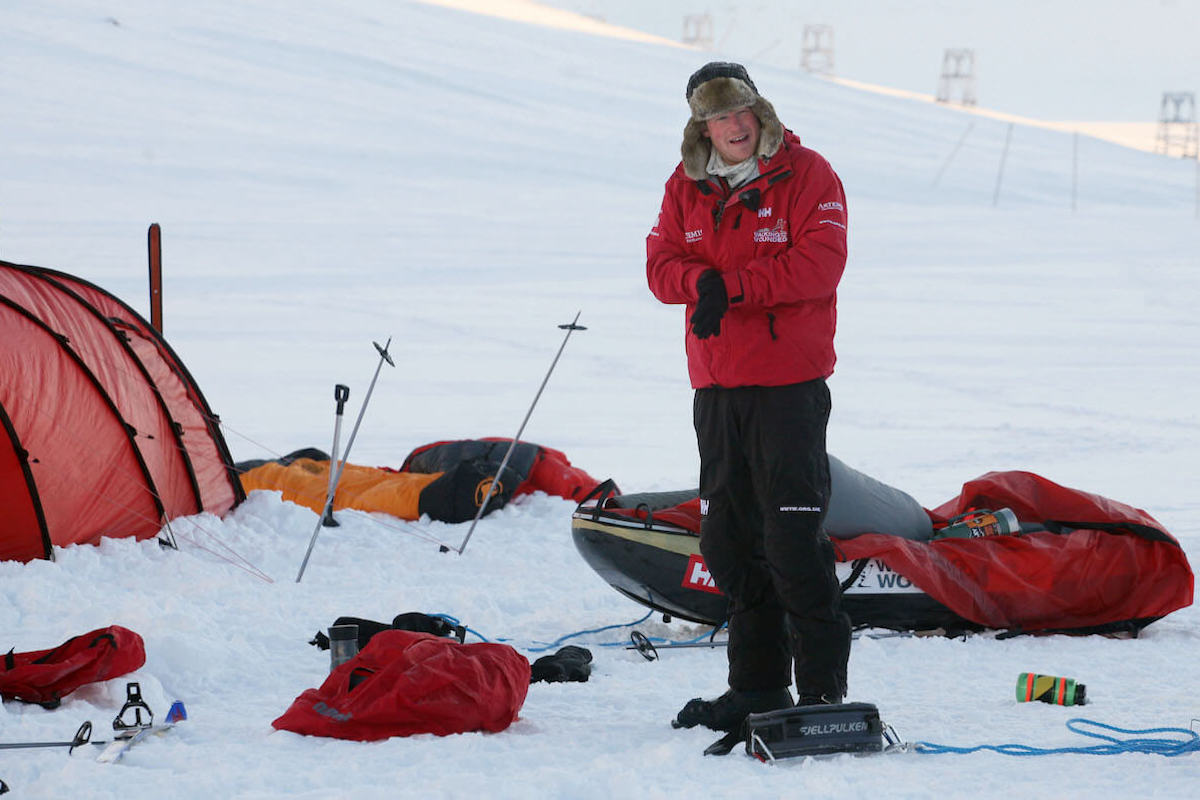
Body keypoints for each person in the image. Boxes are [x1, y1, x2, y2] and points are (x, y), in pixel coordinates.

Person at [646, 62, 853, 735]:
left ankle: (823, 696)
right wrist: (700, 282)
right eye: (720, 117)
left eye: (743, 112)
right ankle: (757, 688)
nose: (735, 126)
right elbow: (658, 263)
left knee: (792, 541)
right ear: (701, 125)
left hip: (788, 387)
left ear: (759, 113)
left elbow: (819, 265)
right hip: (716, 389)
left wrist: (727, 290)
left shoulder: (808, 175)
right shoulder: (686, 185)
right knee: (728, 542)